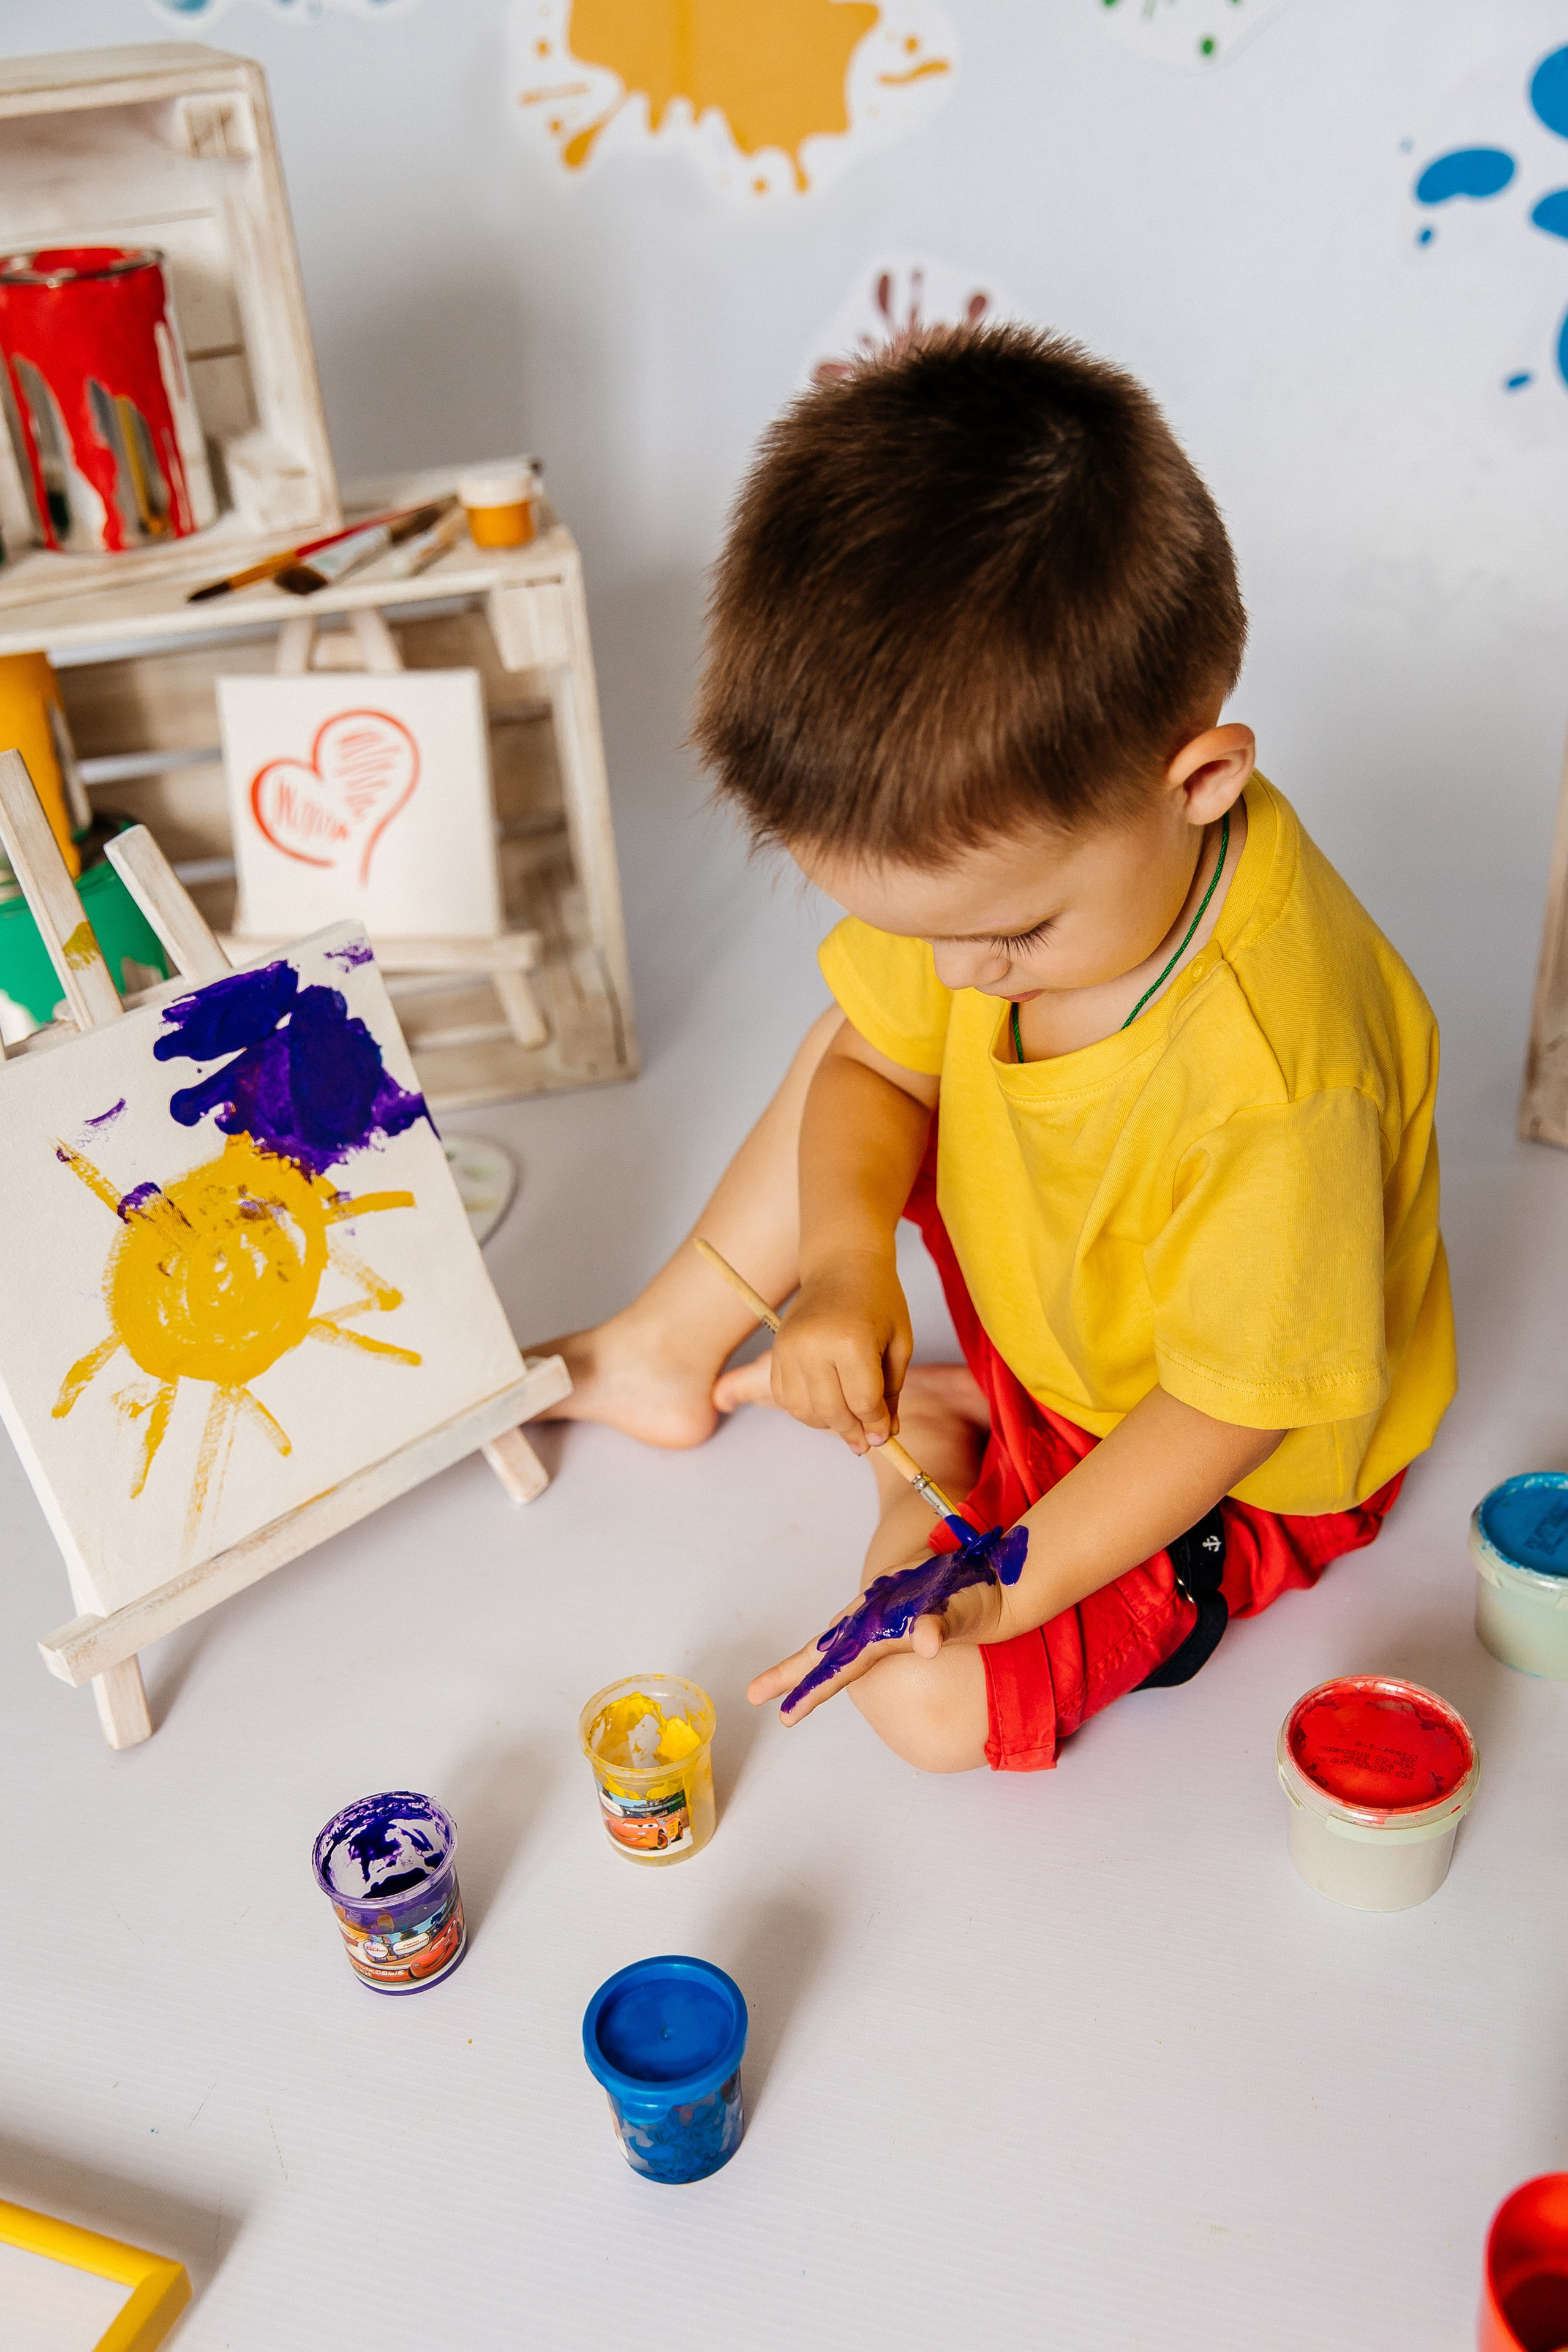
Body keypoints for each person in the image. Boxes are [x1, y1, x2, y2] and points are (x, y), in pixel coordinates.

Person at [540, 324, 1455, 1776]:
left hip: (1223, 1457)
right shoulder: (1007, 898)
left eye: (1007, 938)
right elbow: (878, 1068)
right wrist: (843, 1271)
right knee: (853, 1036)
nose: (960, 975)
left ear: (1200, 781)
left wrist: (991, 1575)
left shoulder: (1279, 1088)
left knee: (923, 1706)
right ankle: (677, 1347)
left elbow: (1220, 1413)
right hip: (1065, 1310)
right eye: (912, 927)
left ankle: (960, 1448)